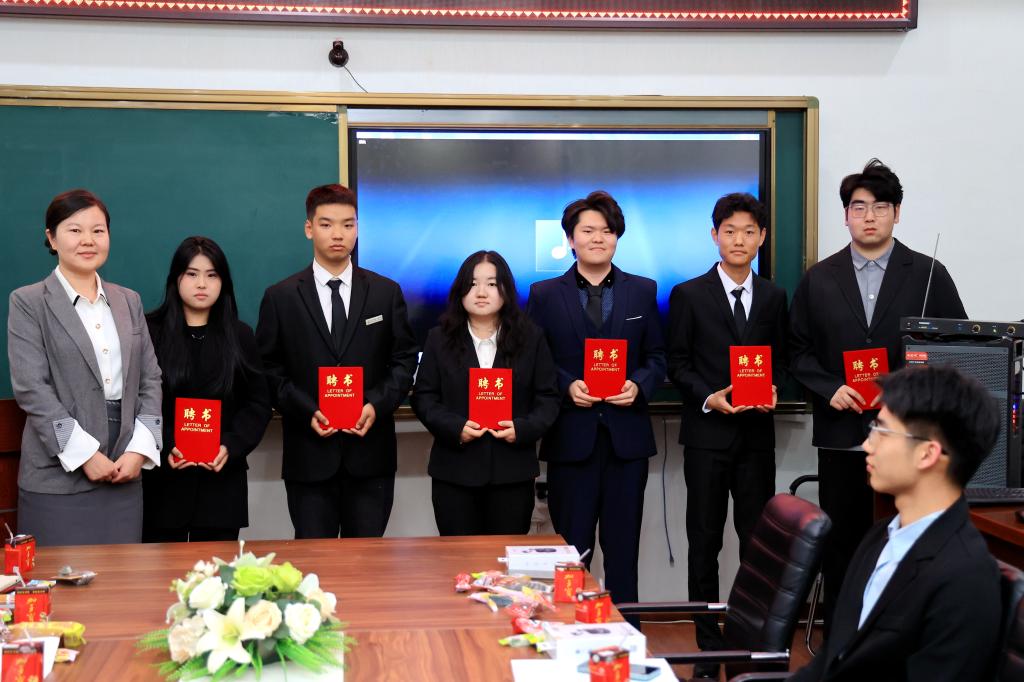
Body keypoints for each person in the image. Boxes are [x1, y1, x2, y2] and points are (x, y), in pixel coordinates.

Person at [788, 159, 966, 630]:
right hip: (843, 437)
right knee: (843, 545)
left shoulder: (928, 273)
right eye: (859, 207)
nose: (869, 216)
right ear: (845, 215)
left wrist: (910, 393)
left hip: (909, 442)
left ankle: (899, 640)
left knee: (904, 546)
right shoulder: (819, 278)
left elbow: (955, 349)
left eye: (880, 207)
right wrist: (830, 388)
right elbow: (797, 352)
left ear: (897, 213)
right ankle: (842, 642)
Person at [791, 364, 1001, 681]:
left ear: (927, 454)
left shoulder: (965, 578)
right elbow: (831, 662)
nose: (867, 444)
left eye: (882, 430)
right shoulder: (879, 537)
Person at [667, 192, 788, 677]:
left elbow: (781, 358)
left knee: (758, 546)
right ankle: (707, 649)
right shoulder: (688, 294)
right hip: (707, 437)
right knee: (704, 543)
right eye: (730, 231)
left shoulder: (775, 296)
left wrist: (776, 387)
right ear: (714, 235)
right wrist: (708, 397)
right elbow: (678, 364)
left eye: (749, 232)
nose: (739, 240)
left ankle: (750, 642)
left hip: (756, 438)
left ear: (762, 237)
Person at [526, 190, 666, 603]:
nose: (598, 238)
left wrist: (638, 384)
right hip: (572, 440)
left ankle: (626, 633)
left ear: (617, 237)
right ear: (571, 239)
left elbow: (658, 356)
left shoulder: (642, 290)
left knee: (624, 554)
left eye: (607, 231)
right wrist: (566, 384)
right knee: (571, 555)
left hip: (627, 442)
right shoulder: (544, 294)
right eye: (587, 231)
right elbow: (535, 360)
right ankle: (569, 634)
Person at [255, 184, 418, 539]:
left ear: (358, 229)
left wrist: (375, 404)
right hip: (309, 455)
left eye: (348, 224)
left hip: (371, 456)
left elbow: (404, 360)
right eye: (327, 224)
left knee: (366, 562)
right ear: (309, 228)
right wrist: (307, 410)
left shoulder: (385, 292)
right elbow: (268, 369)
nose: (338, 234)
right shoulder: (281, 297)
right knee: (315, 561)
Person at [8, 189, 162, 546]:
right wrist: (85, 454)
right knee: (59, 577)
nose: (88, 240)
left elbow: (151, 379)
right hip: (57, 476)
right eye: (74, 230)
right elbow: (31, 388)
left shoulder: (128, 300)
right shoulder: (28, 302)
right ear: (52, 238)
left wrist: (141, 449)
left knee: (121, 578)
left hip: (124, 469)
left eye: (98, 230)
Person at [411, 250, 559, 535]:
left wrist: (522, 428)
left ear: (506, 290)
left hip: (512, 473)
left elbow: (548, 398)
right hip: (455, 472)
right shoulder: (439, 339)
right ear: (460, 291)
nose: (481, 292)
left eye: (491, 283)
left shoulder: (531, 338)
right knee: (458, 557)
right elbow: (424, 397)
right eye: (472, 284)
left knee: (505, 558)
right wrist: (455, 427)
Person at [142, 236, 272, 542]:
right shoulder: (149, 331)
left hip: (221, 482)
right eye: (192, 274)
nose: (202, 284)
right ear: (176, 279)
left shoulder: (240, 335)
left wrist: (230, 445)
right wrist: (167, 442)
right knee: (161, 570)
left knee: (216, 572)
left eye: (212, 275)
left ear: (223, 282)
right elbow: (138, 400)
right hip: (164, 483)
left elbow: (257, 403)